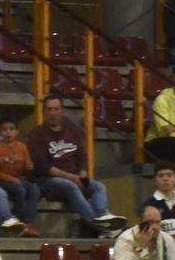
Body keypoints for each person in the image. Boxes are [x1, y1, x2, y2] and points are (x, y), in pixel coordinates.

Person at [29, 93, 125, 238]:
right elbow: (44, 167)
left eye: (56, 109)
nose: (53, 113)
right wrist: (73, 178)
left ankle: (103, 216)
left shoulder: (73, 130)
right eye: (49, 109)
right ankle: (100, 227)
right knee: (71, 186)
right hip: (48, 179)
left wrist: (82, 175)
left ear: (63, 110)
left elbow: (82, 157)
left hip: (74, 176)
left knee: (99, 186)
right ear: (44, 112)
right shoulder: (37, 134)